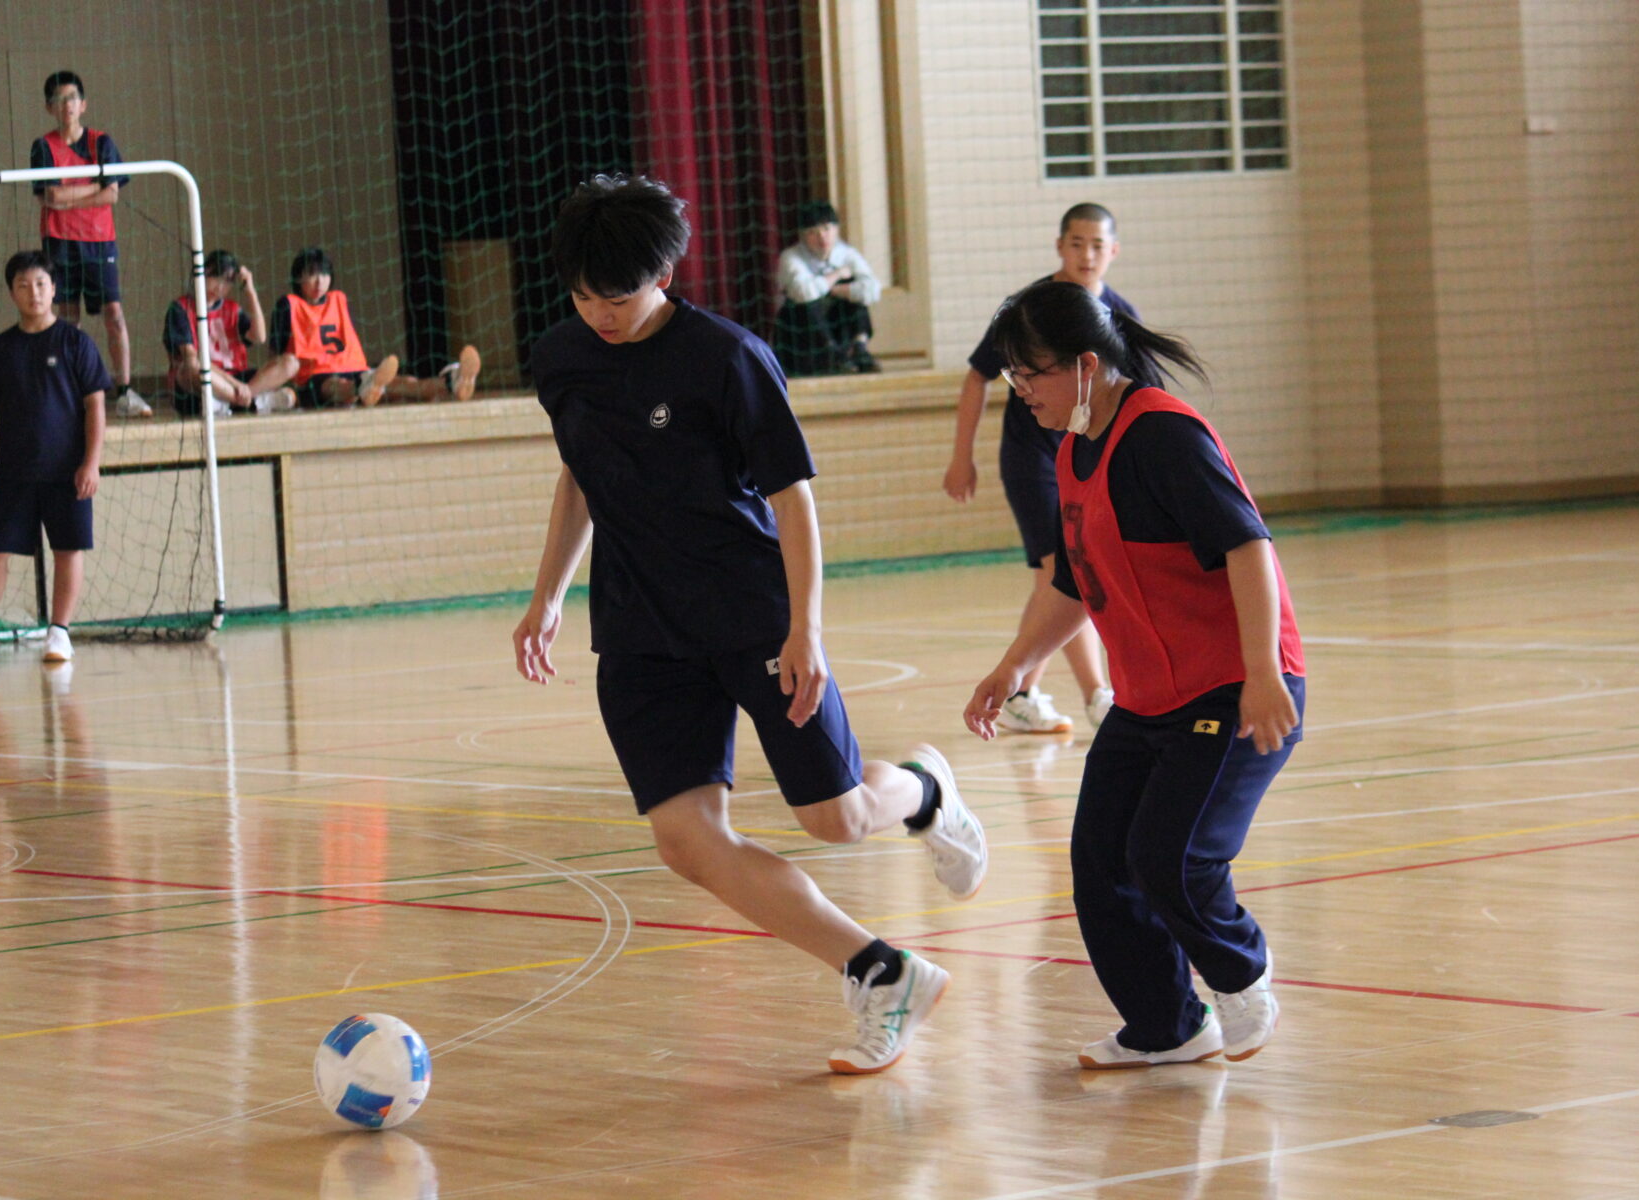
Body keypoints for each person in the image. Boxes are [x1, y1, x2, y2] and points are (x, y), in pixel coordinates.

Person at [513, 174, 988, 1074]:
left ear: (660, 272)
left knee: (836, 819)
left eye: (616, 298)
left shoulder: (725, 357)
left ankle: (926, 791)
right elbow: (580, 473)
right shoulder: (561, 357)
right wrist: (550, 593)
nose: (599, 315)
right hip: (641, 632)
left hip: (752, 620)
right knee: (687, 840)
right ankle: (880, 973)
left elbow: (793, 500)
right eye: (582, 298)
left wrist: (805, 627)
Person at [963, 279, 1305, 1069]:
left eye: (1032, 375)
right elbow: (1075, 579)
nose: (1022, 393)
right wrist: (1016, 664)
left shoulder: (1163, 437)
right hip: (1151, 696)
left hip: (1233, 685)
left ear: (1088, 366)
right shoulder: (1076, 446)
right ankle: (1167, 1026)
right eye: (1012, 378)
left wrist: (1262, 673)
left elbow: (1249, 548)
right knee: (1100, 863)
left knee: (1171, 857)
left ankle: (1241, 972)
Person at [944, 203, 1129, 735]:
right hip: (1034, 460)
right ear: (1059, 246)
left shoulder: (1118, 313)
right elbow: (978, 377)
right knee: (1063, 570)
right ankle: (1097, 696)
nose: (1086, 254)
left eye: (1097, 245)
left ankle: (1024, 692)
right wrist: (962, 456)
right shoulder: (1030, 311)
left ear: (1113, 251)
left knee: (1060, 575)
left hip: (1086, 459)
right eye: (1077, 243)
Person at [0, 250, 110, 668]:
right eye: (24, 285)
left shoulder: (75, 343)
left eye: (41, 284)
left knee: (68, 549)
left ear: (54, 289)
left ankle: (60, 633)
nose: (34, 293)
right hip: (12, 471)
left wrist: (92, 462)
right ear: (12, 292)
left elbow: (96, 407)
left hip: (66, 472)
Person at [30, 70, 150, 418]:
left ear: (83, 104)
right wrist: (92, 186)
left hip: (100, 242)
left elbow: (112, 194)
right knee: (67, 319)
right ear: (49, 107)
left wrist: (71, 195)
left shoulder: (102, 143)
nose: (65, 105)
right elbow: (50, 196)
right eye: (58, 99)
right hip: (59, 242)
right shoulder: (43, 146)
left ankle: (125, 390)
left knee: (114, 314)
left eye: (71, 98)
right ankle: (72, 392)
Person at [265, 247, 478, 408]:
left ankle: (451, 383)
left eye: (324, 274)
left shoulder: (339, 300)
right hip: (315, 377)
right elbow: (275, 354)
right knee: (335, 386)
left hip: (355, 369)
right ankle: (364, 388)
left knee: (404, 383)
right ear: (298, 277)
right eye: (311, 274)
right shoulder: (288, 305)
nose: (319, 281)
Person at [163, 250, 297, 417]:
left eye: (227, 282)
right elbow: (192, 359)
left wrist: (250, 291)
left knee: (290, 362)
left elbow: (260, 337)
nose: (220, 287)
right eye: (215, 278)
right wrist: (236, 385)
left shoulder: (232, 309)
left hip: (238, 378)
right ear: (201, 274)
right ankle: (254, 401)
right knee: (190, 368)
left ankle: (231, 402)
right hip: (203, 382)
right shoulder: (180, 308)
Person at [772, 201, 882, 376]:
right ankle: (834, 356)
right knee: (807, 302)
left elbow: (872, 291)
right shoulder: (791, 257)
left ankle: (859, 349)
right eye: (812, 232)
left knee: (855, 295)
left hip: (838, 325)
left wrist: (837, 290)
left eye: (826, 229)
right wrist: (836, 275)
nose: (822, 237)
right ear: (802, 236)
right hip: (802, 336)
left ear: (836, 229)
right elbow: (803, 293)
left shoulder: (847, 254)